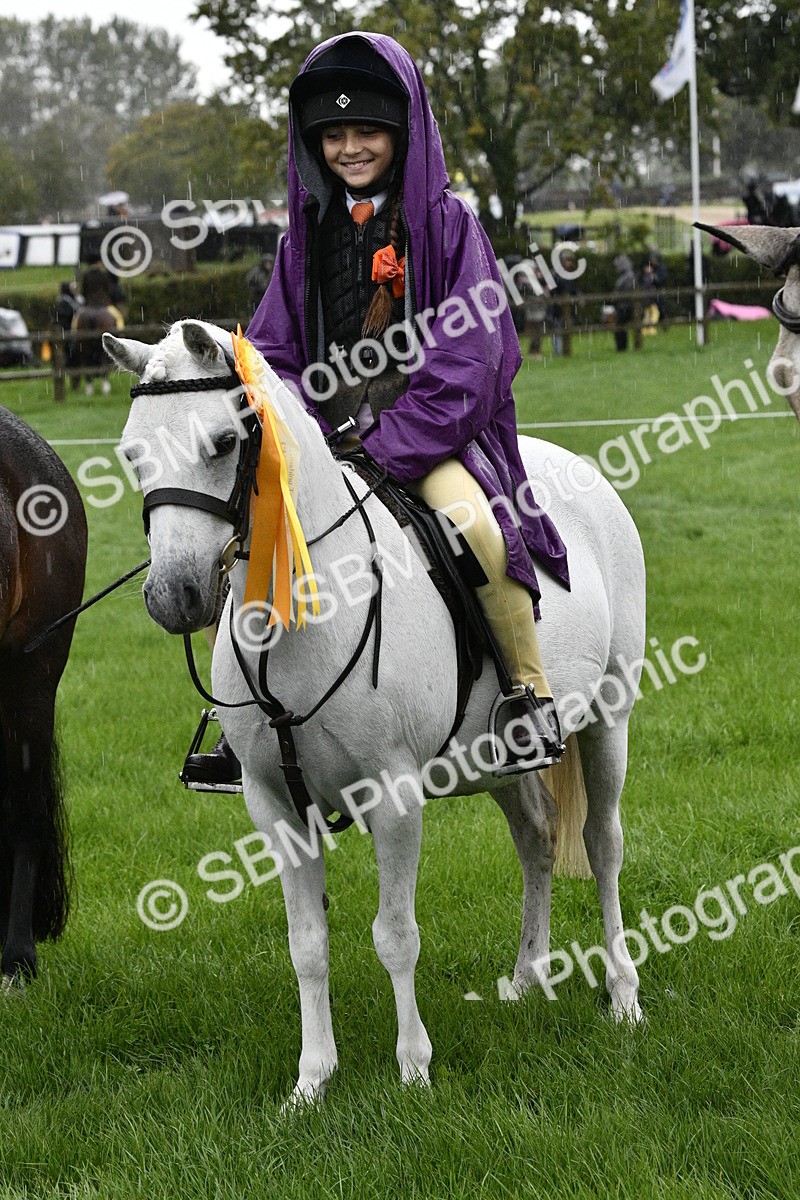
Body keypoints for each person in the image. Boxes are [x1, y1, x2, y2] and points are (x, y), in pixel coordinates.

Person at [183, 33, 569, 785]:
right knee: (251, 535)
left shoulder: (451, 225)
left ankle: (528, 696)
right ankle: (244, 721)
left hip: (431, 439)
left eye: (368, 133)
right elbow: (270, 352)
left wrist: (394, 443)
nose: (351, 148)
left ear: (401, 133)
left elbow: (476, 355)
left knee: (475, 528)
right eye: (334, 134)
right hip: (326, 444)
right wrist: (300, 430)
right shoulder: (305, 238)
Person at [611, 254, 636, 352]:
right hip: (622, 305)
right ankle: (621, 347)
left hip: (625, 306)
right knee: (619, 326)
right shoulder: (624, 277)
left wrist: (617, 299)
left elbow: (626, 293)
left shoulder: (628, 277)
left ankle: (621, 347)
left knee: (620, 326)